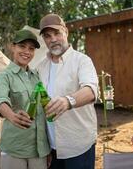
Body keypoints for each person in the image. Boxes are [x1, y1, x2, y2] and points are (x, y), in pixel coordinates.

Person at [37, 13, 99, 169]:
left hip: (78, 145)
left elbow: (91, 90)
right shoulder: (40, 67)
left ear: (66, 32)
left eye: (57, 33)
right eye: (47, 36)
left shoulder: (82, 61)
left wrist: (68, 101)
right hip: (52, 147)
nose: (53, 39)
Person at [0, 28, 50, 169]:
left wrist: (47, 149)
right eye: (22, 46)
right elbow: (1, 100)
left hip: (39, 150)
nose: (26, 51)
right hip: (15, 148)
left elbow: (44, 108)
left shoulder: (36, 76)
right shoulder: (4, 76)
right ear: (12, 47)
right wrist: (12, 116)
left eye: (31, 49)